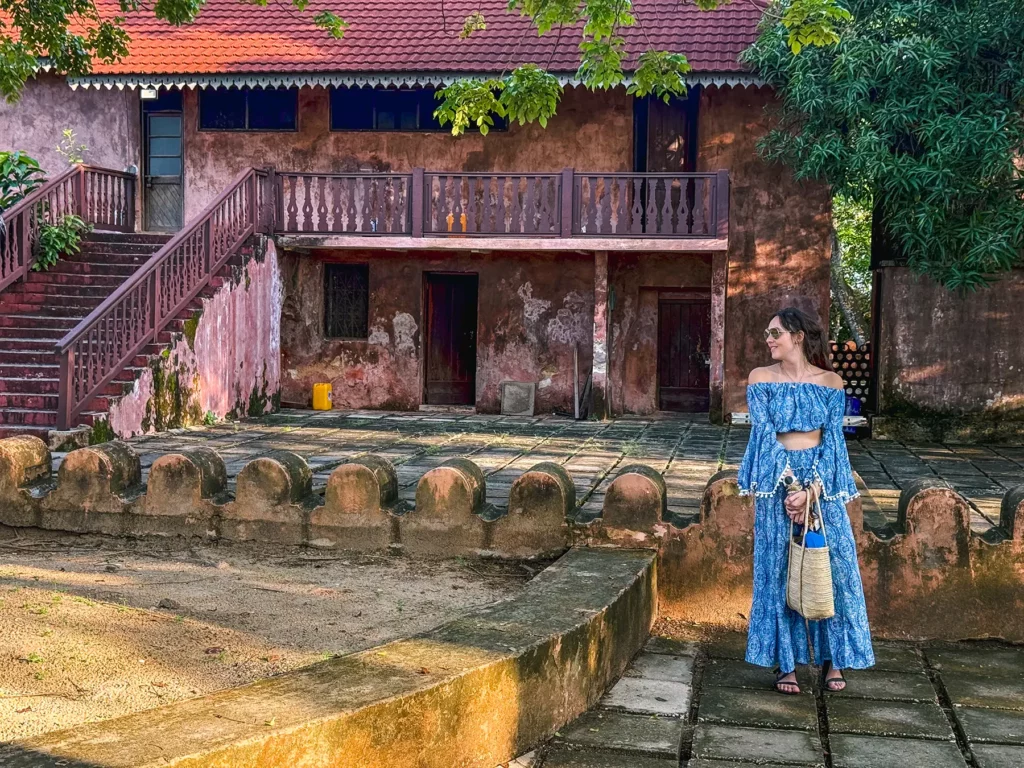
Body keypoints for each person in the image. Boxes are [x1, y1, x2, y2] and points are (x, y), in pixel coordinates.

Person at [737, 307, 874, 694]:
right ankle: (786, 664)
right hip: (776, 483)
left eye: (775, 332)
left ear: (798, 336)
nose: (769, 339)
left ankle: (834, 659)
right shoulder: (760, 378)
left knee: (834, 568)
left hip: (823, 484)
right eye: (768, 333)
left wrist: (812, 490)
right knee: (779, 571)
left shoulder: (831, 383)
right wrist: (791, 487)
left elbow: (833, 440)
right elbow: (763, 435)